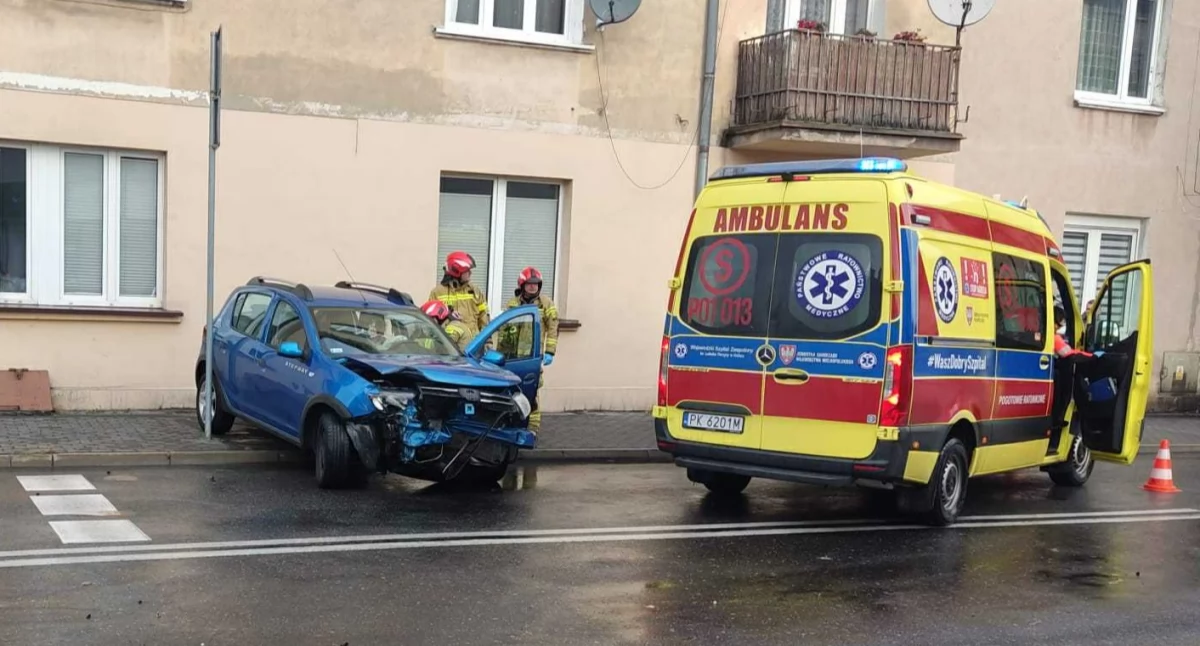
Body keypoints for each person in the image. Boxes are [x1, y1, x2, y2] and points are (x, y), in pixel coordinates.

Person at [501, 266, 559, 435]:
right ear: (522, 285)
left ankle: (532, 429)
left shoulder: (546, 303)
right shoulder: (512, 304)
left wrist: (549, 351)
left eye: (536, 284)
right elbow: (505, 330)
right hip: (513, 356)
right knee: (513, 391)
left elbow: (554, 327)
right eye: (530, 284)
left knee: (532, 393)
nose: (533, 287)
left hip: (533, 356)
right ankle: (513, 425)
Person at [429, 251, 490, 339]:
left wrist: (487, 341)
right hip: (450, 346)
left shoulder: (475, 291)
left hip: (473, 346)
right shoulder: (437, 293)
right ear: (456, 271)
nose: (470, 273)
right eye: (467, 271)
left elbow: (484, 317)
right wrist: (448, 316)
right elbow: (432, 322)